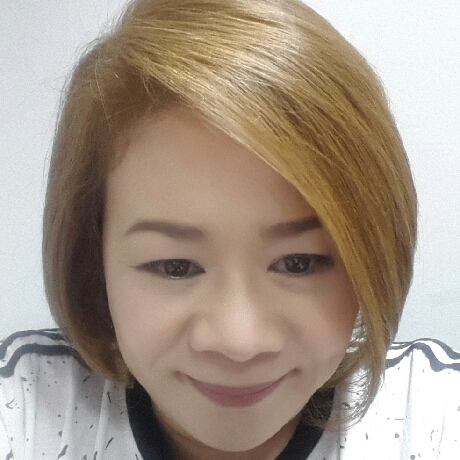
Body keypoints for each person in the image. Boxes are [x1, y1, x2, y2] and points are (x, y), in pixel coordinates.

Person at [1, 0, 459, 458]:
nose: (240, 342)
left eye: (299, 263)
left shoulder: (434, 417)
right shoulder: (25, 410)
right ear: (93, 260)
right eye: (176, 267)